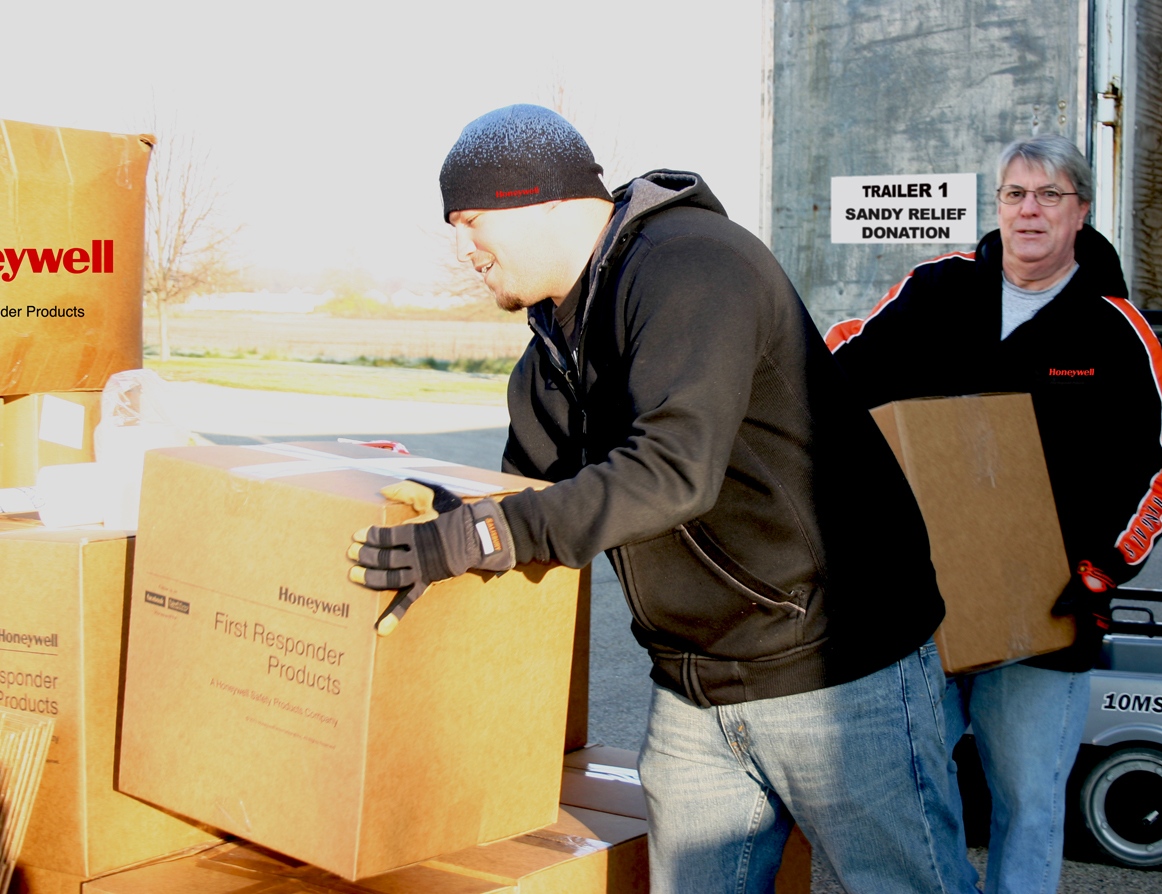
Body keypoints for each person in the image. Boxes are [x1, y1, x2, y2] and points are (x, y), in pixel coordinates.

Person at [345, 104, 979, 894]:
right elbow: (528, 505)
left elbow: (670, 470)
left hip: (837, 670)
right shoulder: (551, 354)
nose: (462, 246)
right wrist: (441, 523)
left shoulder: (692, 265)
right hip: (692, 685)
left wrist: (479, 535)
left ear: (544, 202)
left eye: (471, 220)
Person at [825, 133, 1162, 894]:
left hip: (1046, 610)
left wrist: (1104, 567)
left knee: (1027, 797)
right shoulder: (936, 291)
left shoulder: (1116, 331)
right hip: (923, 601)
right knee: (912, 784)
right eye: (1014, 194)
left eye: (1049, 195)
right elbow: (840, 364)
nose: (1029, 211)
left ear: (1080, 213)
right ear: (996, 206)